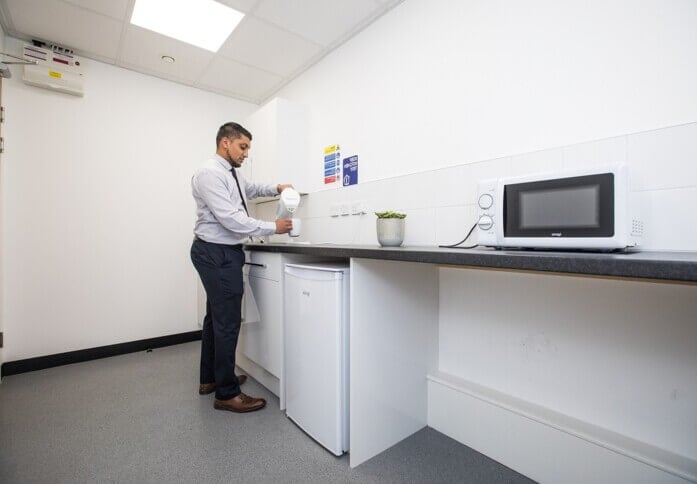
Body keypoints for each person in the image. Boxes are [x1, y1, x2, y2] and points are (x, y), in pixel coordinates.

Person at [190, 122, 293, 413]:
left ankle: (211, 378)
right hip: (217, 252)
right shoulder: (210, 173)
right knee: (227, 322)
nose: (246, 153)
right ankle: (226, 392)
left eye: (248, 147)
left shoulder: (230, 173)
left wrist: (277, 187)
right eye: (243, 146)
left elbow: (251, 188)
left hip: (219, 251)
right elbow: (231, 219)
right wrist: (273, 227)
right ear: (225, 143)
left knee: (215, 319)